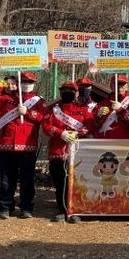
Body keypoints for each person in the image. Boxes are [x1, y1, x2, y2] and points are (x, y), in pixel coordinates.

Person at [0, 71, 46, 219]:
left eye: (30, 82)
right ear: (18, 83)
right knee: (6, 179)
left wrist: (28, 113)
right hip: (6, 145)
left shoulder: (38, 101)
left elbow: (44, 118)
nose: (27, 84)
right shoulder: (6, 98)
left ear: (34, 84)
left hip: (27, 146)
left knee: (27, 180)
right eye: (24, 81)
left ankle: (26, 207)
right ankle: (6, 207)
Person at [42, 81, 95, 223]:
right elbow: (46, 126)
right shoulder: (54, 111)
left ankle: (76, 209)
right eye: (64, 90)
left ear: (77, 93)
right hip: (58, 151)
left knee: (78, 181)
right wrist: (61, 133)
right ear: (60, 92)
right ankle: (63, 209)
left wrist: (77, 133)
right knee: (61, 182)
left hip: (78, 151)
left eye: (71, 90)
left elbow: (90, 126)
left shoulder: (84, 110)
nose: (68, 92)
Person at [95, 74, 129, 139]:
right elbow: (94, 126)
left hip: (126, 141)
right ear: (111, 86)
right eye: (116, 84)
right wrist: (98, 117)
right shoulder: (102, 103)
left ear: (127, 86)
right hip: (105, 141)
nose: (119, 86)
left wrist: (121, 110)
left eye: (122, 84)